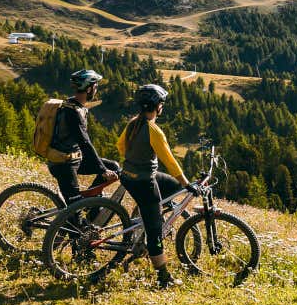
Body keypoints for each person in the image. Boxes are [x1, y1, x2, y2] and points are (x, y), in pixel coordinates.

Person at [119, 83, 198, 288]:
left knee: (172, 186)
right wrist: (187, 183)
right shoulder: (153, 130)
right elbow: (169, 161)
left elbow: (120, 146)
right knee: (154, 231)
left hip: (128, 176)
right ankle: (163, 277)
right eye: (161, 103)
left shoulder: (133, 123)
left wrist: (137, 160)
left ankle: (151, 211)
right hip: (143, 182)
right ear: (157, 106)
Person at [47, 69, 120, 208]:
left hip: (74, 159)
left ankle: (91, 204)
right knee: (75, 210)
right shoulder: (72, 112)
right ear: (89, 89)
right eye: (95, 86)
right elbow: (85, 143)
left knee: (113, 166)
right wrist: (102, 170)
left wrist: (103, 168)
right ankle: (80, 211)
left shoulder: (73, 105)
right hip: (63, 164)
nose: (96, 90)